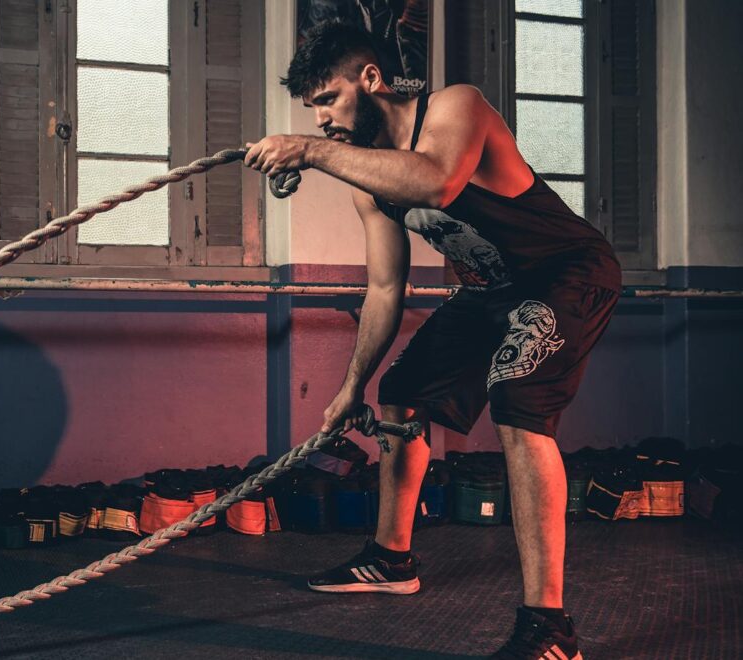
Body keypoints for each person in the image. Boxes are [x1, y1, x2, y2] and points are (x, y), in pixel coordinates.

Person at [243, 21, 620, 660]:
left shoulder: (455, 106)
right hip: (489, 292)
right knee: (401, 394)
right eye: (312, 111)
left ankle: (549, 630)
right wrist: (348, 388)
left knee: (518, 405)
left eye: (328, 99)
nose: (323, 119)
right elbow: (385, 292)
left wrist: (307, 151)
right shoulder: (371, 183)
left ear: (370, 79)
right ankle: (392, 559)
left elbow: (438, 181)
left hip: (566, 272)